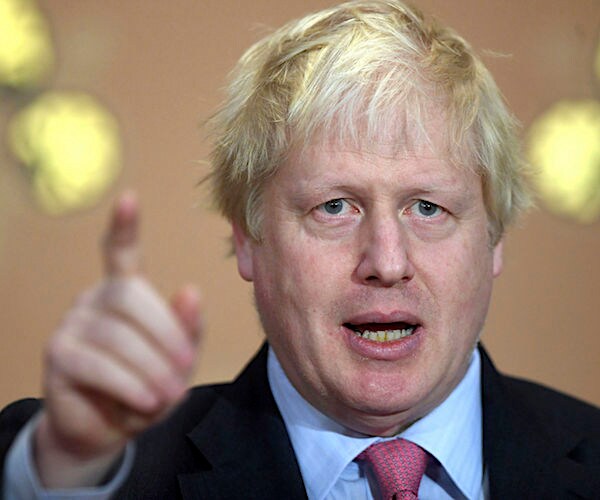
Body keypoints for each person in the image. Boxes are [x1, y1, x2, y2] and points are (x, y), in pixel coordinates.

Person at [1, 1, 599, 498]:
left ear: (493, 235)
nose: (387, 263)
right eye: (334, 207)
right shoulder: (95, 471)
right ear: (248, 238)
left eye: (427, 208)